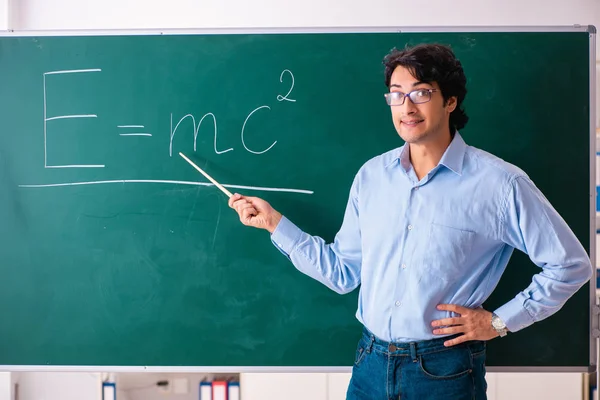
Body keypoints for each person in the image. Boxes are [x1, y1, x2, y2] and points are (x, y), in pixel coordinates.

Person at [227, 43, 592, 399]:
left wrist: (499, 322)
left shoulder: (500, 184)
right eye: (396, 94)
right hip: (369, 364)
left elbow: (570, 266)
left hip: (444, 371)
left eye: (420, 93)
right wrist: (275, 223)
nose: (406, 107)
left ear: (450, 101)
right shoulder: (371, 177)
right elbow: (342, 273)